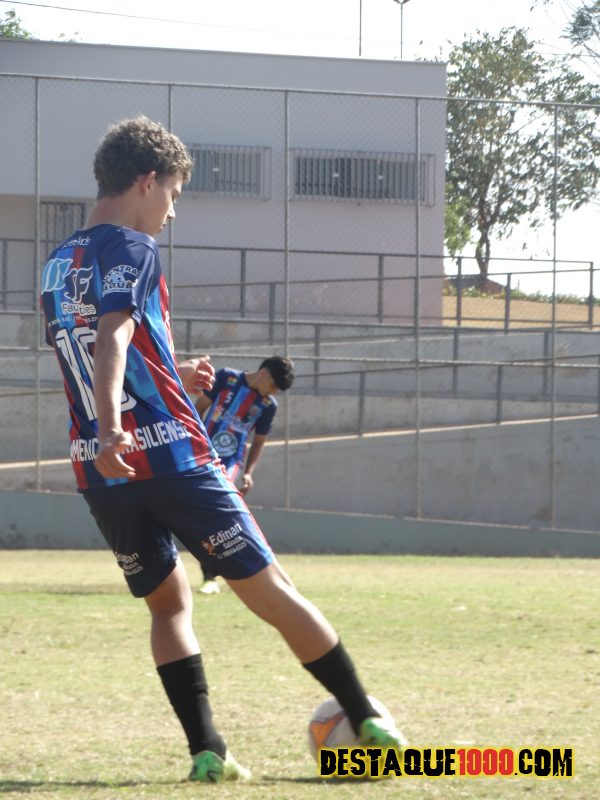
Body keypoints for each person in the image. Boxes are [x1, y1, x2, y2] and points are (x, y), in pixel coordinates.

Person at [39, 116, 406, 784]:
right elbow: (112, 337)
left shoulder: (57, 264)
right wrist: (116, 422)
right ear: (146, 181)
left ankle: (207, 753)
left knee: (168, 606)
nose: (173, 211)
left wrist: (165, 380)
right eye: (174, 194)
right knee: (274, 592)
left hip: (101, 470)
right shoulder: (134, 246)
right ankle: (369, 721)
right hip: (172, 457)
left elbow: (91, 352)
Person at [193, 355, 294, 595]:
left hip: (229, 463)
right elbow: (198, 408)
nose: (273, 393)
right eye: (273, 386)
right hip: (200, 452)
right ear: (264, 374)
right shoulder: (226, 377)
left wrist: (248, 472)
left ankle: (212, 576)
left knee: (213, 512)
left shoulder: (267, 406)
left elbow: (258, 441)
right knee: (198, 513)